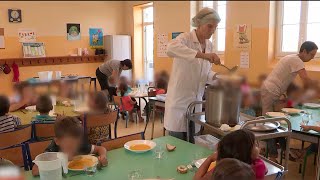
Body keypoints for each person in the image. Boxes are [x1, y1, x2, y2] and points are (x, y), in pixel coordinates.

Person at [164, 7, 221, 140]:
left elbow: (204, 73)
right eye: (209, 26)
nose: (212, 30)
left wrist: (216, 77)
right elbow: (170, 48)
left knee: (192, 144)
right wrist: (203, 55)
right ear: (199, 24)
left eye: (215, 27)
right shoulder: (186, 38)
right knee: (177, 145)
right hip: (179, 102)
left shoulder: (209, 45)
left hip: (196, 103)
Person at [32, 116, 107, 176]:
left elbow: (100, 149)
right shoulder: (53, 150)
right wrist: (57, 164)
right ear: (57, 141)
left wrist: (103, 156)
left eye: (76, 146)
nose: (73, 150)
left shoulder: (79, 145)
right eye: (69, 147)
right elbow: (35, 171)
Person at [261, 41, 318, 115]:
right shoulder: (297, 61)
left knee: (270, 115)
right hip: (271, 89)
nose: (313, 57)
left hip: (270, 88)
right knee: (268, 116)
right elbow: (306, 80)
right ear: (304, 51)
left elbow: (287, 78)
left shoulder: (292, 57)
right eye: (312, 54)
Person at [194, 129, 267, 180]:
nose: (259, 147)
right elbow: (265, 170)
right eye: (255, 145)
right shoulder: (259, 165)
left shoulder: (225, 171)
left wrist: (209, 159)